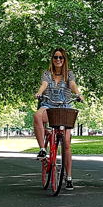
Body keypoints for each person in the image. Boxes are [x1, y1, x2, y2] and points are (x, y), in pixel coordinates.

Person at [33, 47, 84, 191]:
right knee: (37, 116)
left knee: (67, 143)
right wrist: (39, 93)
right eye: (55, 57)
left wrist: (78, 94)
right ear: (52, 59)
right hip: (49, 105)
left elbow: (73, 85)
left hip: (65, 107)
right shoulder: (47, 74)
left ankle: (68, 177)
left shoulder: (69, 74)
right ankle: (43, 148)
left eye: (61, 58)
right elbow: (43, 85)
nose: (58, 60)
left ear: (64, 59)